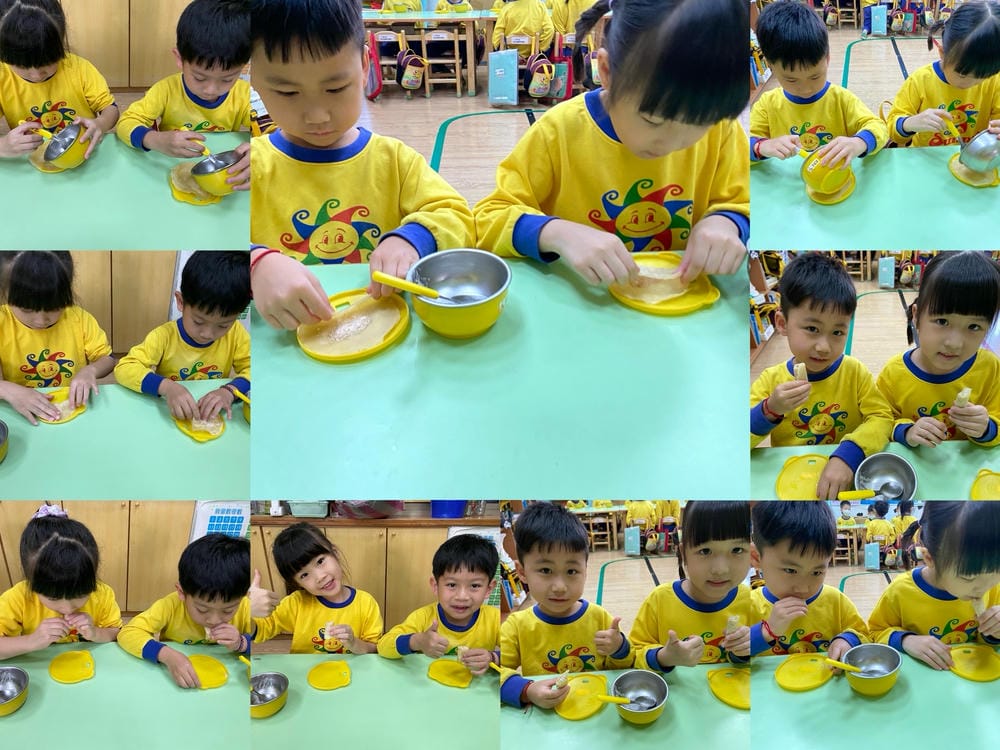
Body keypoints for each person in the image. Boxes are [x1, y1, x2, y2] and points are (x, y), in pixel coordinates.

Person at [474, 0, 750, 288]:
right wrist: (555, 233)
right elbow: (489, 217)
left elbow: (745, 202)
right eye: (653, 120)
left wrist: (728, 222)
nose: (673, 144)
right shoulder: (558, 132)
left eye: (700, 124)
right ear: (606, 71)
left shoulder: (721, 129)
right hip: (584, 304)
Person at [247, 0, 476, 329]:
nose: (318, 116)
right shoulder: (246, 168)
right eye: (288, 92)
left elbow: (457, 216)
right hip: (285, 346)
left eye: (335, 88)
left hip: (384, 334)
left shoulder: (394, 161)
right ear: (253, 78)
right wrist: (255, 262)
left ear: (365, 65)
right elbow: (204, 251)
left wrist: (413, 238)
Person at [750, 253, 893, 500]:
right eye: (812, 329)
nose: (824, 347)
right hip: (792, 482)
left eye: (837, 332)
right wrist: (770, 410)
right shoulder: (770, 381)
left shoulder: (854, 373)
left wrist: (849, 454)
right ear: (782, 324)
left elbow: (882, 418)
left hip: (844, 478)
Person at [499, 502, 634, 708]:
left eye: (571, 571)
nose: (560, 587)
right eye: (545, 570)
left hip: (593, 710)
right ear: (522, 572)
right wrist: (526, 690)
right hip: (545, 718)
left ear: (585, 571)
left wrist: (619, 649)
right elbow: (494, 673)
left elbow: (621, 670)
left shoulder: (600, 618)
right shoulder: (516, 627)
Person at [115, 0, 250, 190]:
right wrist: (155, 139)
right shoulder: (166, 90)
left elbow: (275, 130)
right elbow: (126, 123)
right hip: (167, 167)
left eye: (227, 79)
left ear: (243, 67)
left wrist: (260, 151)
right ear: (180, 59)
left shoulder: (245, 95)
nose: (211, 90)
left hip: (224, 177)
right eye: (200, 78)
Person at [876, 252, 1000, 449]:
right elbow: (880, 421)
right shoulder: (893, 374)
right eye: (942, 321)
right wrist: (906, 432)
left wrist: (987, 429)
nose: (954, 344)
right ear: (916, 316)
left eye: (974, 326)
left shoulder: (991, 369)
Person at [114, 251, 250, 421]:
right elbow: (124, 368)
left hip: (211, 416)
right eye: (198, 322)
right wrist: (166, 387)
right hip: (168, 413)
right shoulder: (164, 336)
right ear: (180, 302)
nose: (208, 334)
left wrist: (229, 391)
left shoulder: (236, 333)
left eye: (223, 325)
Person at [750, 0, 888, 165]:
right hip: (785, 179)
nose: (806, 89)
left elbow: (879, 128)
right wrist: (760, 147)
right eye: (791, 79)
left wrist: (859, 142)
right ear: (770, 65)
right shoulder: (767, 105)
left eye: (815, 76)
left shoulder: (841, 100)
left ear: (827, 59)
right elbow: (738, 145)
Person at [868, 501, 1000, 670]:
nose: (984, 588)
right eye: (969, 577)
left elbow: (988, 645)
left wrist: (994, 634)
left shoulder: (993, 589)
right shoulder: (900, 591)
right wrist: (906, 640)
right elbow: (874, 632)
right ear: (929, 558)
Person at [117, 534, 254, 688]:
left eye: (228, 610)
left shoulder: (245, 607)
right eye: (202, 609)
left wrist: (242, 643)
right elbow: (128, 632)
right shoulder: (171, 605)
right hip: (174, 676)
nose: (214, 620)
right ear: (182, 592)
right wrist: (166, 654)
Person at [631, 501, 751, 670]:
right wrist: (663, 657)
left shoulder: (751, 601)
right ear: (683, 554)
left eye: (737, 550)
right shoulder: (660, 601)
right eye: (705, 551)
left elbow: (765, 662)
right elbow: (633, 655)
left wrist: (745, 652)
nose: (720, 570)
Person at [0, 251, 114, 423]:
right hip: (18, 414)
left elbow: (107, 359)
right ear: (6, 295)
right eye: (27, 309)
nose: (41, 320)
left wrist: (90, 371)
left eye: (54, 308)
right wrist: (8, 390)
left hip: (70, 406)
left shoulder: (79, 319)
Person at [749, 501, 868, 661]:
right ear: (756, 558)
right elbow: (729, 655)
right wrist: (766, 632)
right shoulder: (748, 606)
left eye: (817, 572)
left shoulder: (836, 602)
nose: (804, 588)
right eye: (790, 570)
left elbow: (863, 634)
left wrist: (847, 640)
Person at [0, 505, 122, 660]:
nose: (67, 608)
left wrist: (95, 633)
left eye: (80, 594)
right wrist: (31, 641)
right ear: (32, 583)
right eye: (53, 597)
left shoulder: (102, 595)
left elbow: (116, 633)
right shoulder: (17, 599)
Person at [0, 0, 118, 159]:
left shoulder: (79, 69)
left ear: (60, 45)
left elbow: (110, 108)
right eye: (21, 65)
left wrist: (101, 124)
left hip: (84, 153)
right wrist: (3, 146)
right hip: (32, 159)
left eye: (47, 62)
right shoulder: (2, 77)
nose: (36, 75)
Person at [377, 534, 500, 675]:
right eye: (452, 585)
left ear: (489, 589)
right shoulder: (423, 617)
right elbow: (383, 646)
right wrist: (416, 641)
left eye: (475, 586)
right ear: (435, 586)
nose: (462, 597)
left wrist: (493, 657)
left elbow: (515, 652)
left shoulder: (494, 619)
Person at [252, 522, 383, 654]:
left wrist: (354, 643)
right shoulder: (296, 603)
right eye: (304, 575)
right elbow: (258, 630)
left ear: (335, 553)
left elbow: (373, 648)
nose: (320, 577)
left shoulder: (366, 603)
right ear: (297, 583)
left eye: (320, 561)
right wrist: (248, 610)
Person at [886, 0, 1000, 147]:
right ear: (942, 53)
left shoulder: (995, 80)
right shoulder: (920, 81)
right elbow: (892, 129)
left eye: (983, 76)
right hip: (924, 156)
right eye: (962, 74)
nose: (971, 84)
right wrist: (910, 123)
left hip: (973, 157)